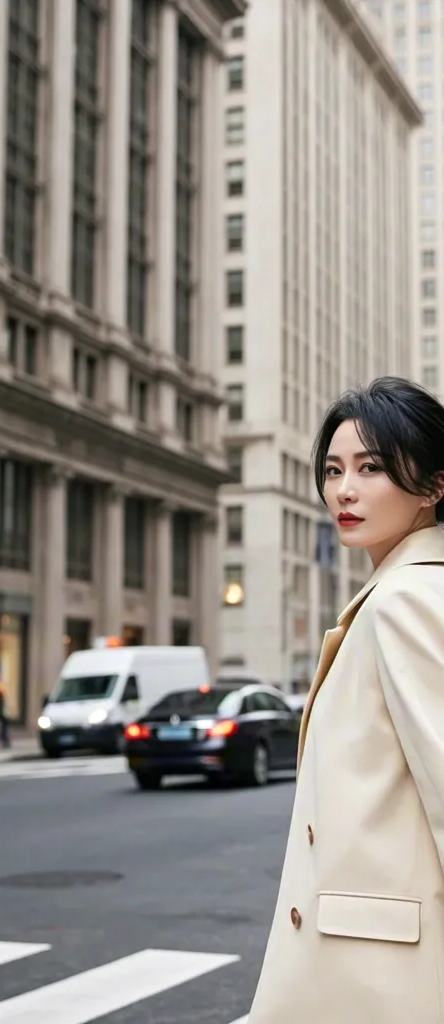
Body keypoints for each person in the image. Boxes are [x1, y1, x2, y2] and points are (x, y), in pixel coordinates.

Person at [247, 377, 444, 1024]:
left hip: (379, 973)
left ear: (436, 486)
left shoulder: (406, 601)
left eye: (373, 467)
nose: (344, 490)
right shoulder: (399, 592)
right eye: (333, 470)